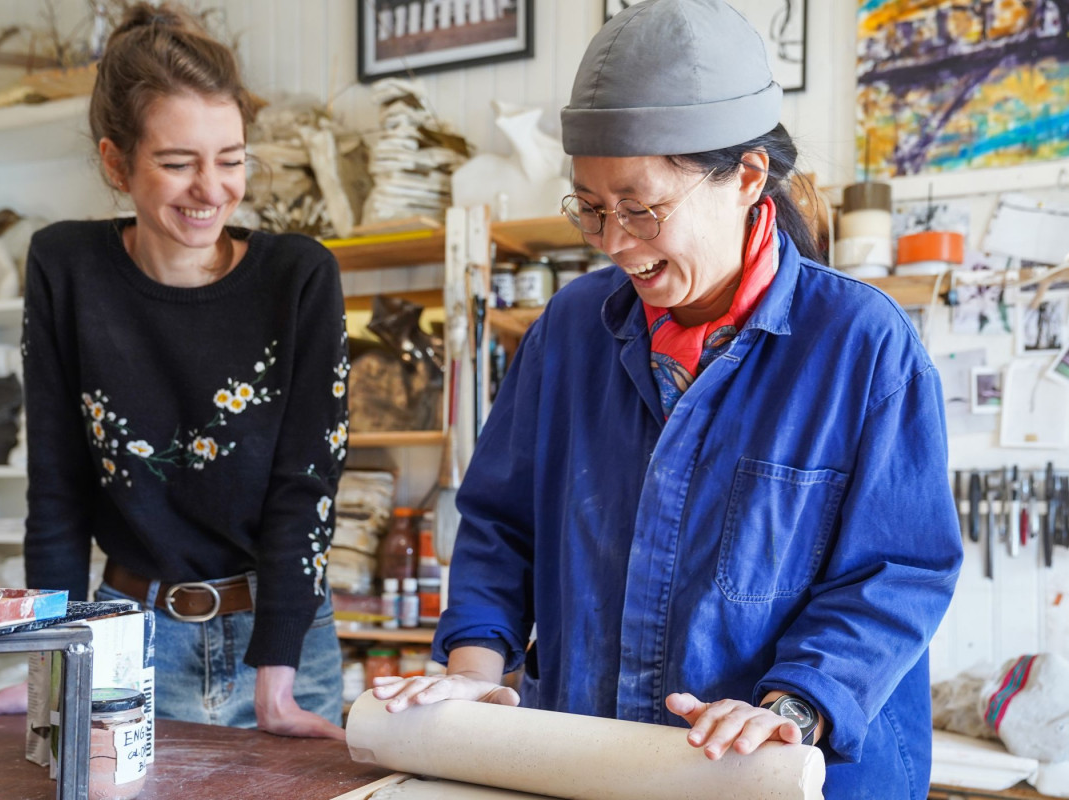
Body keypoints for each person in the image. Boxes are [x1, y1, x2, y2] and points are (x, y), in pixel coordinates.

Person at [373, 0, 963, 796]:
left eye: (642, 208)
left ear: (747, 177)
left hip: (783, 777)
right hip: (588, 764)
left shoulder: (862, 346)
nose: (615, 242)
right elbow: (499, 529)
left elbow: (896, 575)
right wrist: (471, 676)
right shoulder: (570, 331)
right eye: (591, 208)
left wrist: (789, 708)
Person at [21, 3, 347, 738]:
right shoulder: (66, 267)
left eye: (231, 159)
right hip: (123, 638)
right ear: (116, 163)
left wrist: (276, 684)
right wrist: (47, 666)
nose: (212, 189)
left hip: (282, 644)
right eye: (177, 163)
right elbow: (57, 486)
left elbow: (307, 485)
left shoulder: (299, 277)